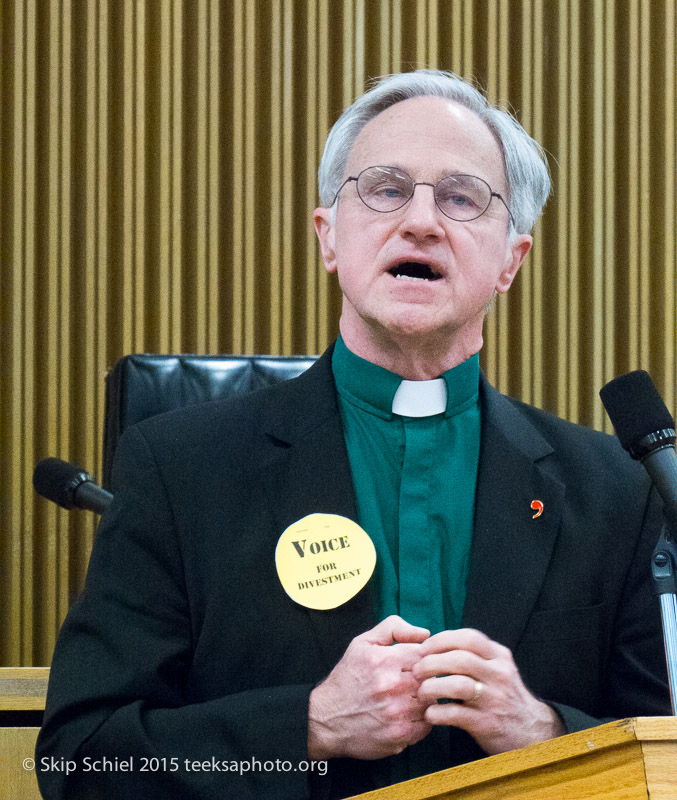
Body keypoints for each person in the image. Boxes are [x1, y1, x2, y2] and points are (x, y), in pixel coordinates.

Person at [36, 69, 670, 800]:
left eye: (462, 197)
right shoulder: (181, 470)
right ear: (328, 236)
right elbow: (83, 762)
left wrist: (545, 733)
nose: (422, 221)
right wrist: (309, 725)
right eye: (386, 188)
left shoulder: (615, 491)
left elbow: (662, 753)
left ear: (510, 260)